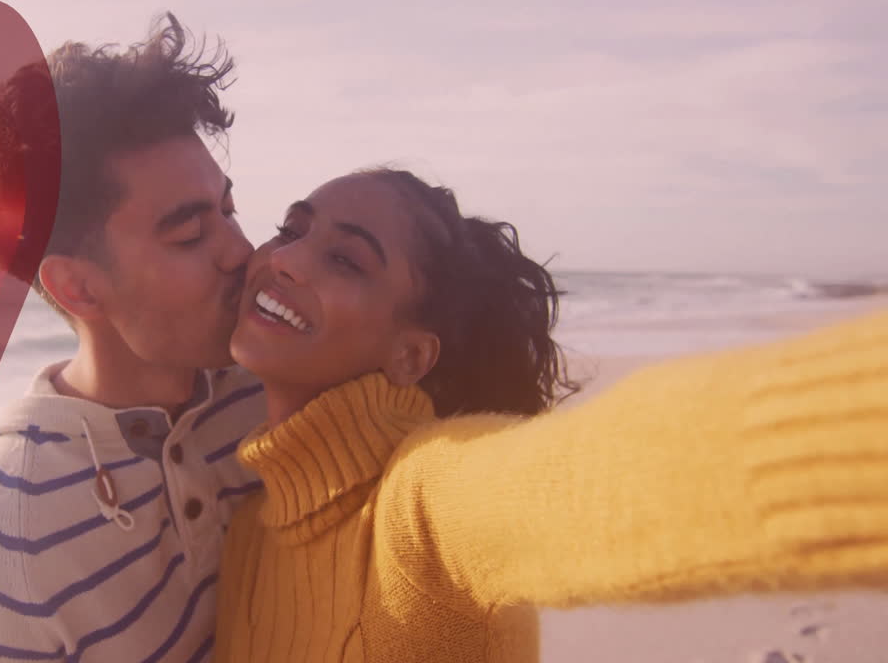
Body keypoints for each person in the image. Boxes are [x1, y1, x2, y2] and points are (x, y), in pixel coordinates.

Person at [213, 167, 888, 662]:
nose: (285, 261)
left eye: (345, 259)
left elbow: (616, 468)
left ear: (412, 355)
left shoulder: (423, 504)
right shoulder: (245, 534)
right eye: (290, 229)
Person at [0, 14, 267, 662]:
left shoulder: (271, 387)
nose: (242, 252)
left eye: (228, 210)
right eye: (190, 234)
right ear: (77, 288)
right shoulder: (6, 550)